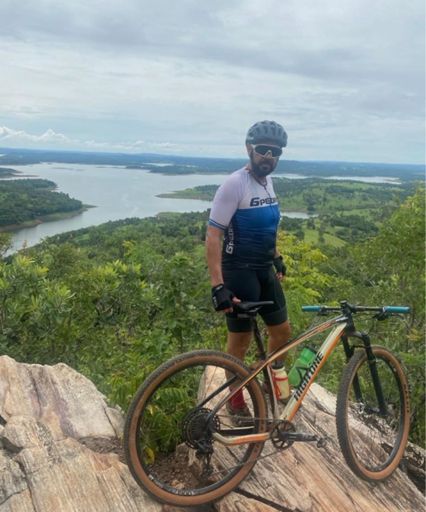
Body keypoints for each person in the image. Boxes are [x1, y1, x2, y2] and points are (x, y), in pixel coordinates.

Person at [205, 120, 291, 425]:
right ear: (249, 148)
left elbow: (269, 225)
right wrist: (218, 286)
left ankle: (265, 376)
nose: (269, 156)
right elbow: (213, 235)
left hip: (264, 269)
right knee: (239, 342)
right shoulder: (234, 184)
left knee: (282, 332)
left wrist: (277, 257)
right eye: (263, 149)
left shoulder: (268, 183)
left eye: (275, 152)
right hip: (239, 271)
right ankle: (235, 400)